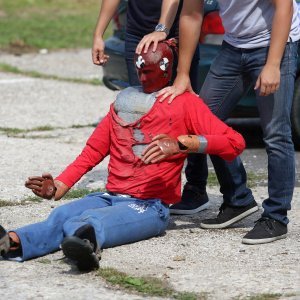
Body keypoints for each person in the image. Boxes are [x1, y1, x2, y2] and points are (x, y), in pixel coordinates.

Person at [0, 40, 245, 272]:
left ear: (166, 70)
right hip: (109, 196)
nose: (142, 76)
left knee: (92, 220)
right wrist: (58, 187)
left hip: (149, 206)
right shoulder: (125, 101)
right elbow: (93, 151)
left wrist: (185, 144)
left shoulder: (185, 104)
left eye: (148, 71)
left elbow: (235, 143)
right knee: (62, 214)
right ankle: (13, 242)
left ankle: (85, 248)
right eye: (139, 70)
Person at [157, 0, 300, 244]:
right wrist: (182, 75)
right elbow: (191, 14)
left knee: (276, 134)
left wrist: (273, 64)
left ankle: (276, 217)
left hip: (275, 43)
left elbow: (284, 6)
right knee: (204, 122)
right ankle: (238, 199)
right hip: (233, 47)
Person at [92, 0, 200, 90]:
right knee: (139, 104)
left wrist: (161, 29)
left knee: (178, 105)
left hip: (174, 35)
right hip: (136, 35)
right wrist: (98, 35)